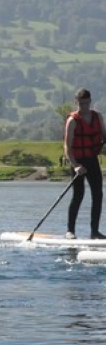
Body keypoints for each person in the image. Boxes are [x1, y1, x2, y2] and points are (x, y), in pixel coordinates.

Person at [64, 88, 106, 240]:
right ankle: (70, 231)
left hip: (92, 160)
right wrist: (75, 165)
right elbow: (67, 148)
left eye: (87, 103)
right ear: (76, 102)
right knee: (78, 195)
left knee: (98, 195)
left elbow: (104, 135)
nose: (84, 106)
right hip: (78, 161)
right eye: (81, 104)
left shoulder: (98, 117)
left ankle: (94, 232)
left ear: (90, 101)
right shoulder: (72, 121)